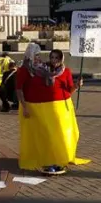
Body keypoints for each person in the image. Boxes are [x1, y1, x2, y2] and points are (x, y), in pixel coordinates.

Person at [15, 44, 89, 175]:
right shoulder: (27, 70)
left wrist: (77, 86)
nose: (38, 58)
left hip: (60, 107)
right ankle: (45, 159)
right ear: (30, 55)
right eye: (36, 55)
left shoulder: (45, 69)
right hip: (36, 108)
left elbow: (68, 89)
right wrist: (25, 107)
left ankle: (62, 157)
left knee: (64, 133)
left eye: (39, 55)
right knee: (43, 135)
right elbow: (19, 89)